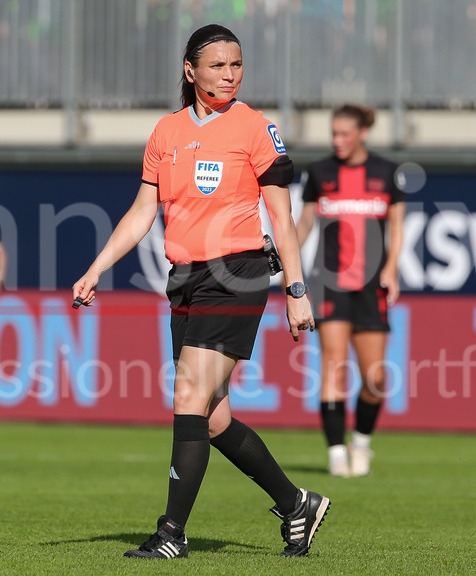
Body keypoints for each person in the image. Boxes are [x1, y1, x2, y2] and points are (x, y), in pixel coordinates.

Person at [72, 24, 330, 559]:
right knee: (211, 417)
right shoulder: (166, 133)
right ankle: (296, 503)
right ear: (190, 71)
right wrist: (97, 268)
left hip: (238, 272)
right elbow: (145, 210)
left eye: (236, 65)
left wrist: (296, 290)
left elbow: (282, 219)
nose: (229, 75)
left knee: (187, 397)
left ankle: (171, 533)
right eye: (218, 66)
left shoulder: (256, 128)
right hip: (185, 278)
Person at [295, 104, 406, 477]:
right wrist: (289, 265)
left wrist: (391, 268)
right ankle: (337, 454)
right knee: (334, 368)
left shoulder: (386, 172)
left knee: (375, 378)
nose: (337, 140)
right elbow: (305, 222)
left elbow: (397, 227)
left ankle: (361, 443)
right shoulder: (320, 172)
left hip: (371, 284)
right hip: (329, 283)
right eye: (333, 133)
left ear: (362, 133)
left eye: (344, 133)